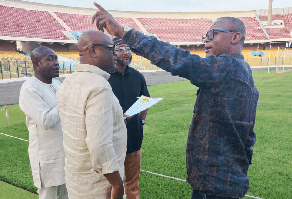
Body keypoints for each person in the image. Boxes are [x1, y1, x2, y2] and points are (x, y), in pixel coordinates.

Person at [92, 3, 259, 199]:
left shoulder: (228, 68)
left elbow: (178, 59)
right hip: (225, 181)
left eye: (213, 33)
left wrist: (123, 32)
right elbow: (249, 138)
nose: (206, 39)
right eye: (206, 34)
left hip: (216, 186)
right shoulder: (242, 71)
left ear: (235, 37)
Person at [56, 30, 127, 199]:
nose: (115, 55)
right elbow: (99, 145)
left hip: (78, 182)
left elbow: (81, 126)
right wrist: (117, 184)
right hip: (100, 187)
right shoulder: (98, 86)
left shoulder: (68, 82)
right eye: (111, 49)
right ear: (93, 50)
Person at [19, 46, 68, 199]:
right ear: (36, 64)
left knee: (68, 194)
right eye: (50, 59)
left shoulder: (57, 84)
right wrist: (65, 101)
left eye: (56, 59)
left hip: (65, 153)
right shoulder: (29, 88)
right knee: (49, 195)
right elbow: (45, 120)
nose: (56, 63)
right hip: (47, 156)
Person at [108, 37, 150, 199]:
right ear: (112, 53)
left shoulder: (138, 76)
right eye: (121, 49)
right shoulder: (106, 77)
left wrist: (141, 121)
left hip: (133, 137)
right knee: (111, 184)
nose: (126, 52)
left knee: (132, 183)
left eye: (128, 49)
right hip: (111, 139)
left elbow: (145, 100)